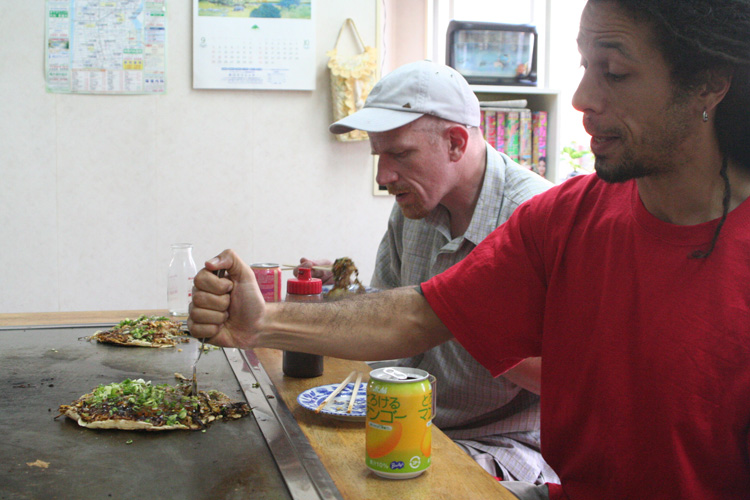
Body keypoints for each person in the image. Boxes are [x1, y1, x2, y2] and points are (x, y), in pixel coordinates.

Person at [189, 1, 750, 499]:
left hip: (500, 448)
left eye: (616, 71)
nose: (582, 98)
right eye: (583, 66)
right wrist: (261, 321)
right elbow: (414, 316)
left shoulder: (535, 204)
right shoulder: (565, 218)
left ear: (708, 84)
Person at [297, 60, 556, 484]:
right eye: (379, 155)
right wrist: (344, 289)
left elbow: (573, 379)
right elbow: (388, 321)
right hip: (408, 422)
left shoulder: (538, 219)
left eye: (400, 154)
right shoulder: (413, 207)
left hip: (500, 443)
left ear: (455, 142)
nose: (383, 176)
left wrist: (459, 317)